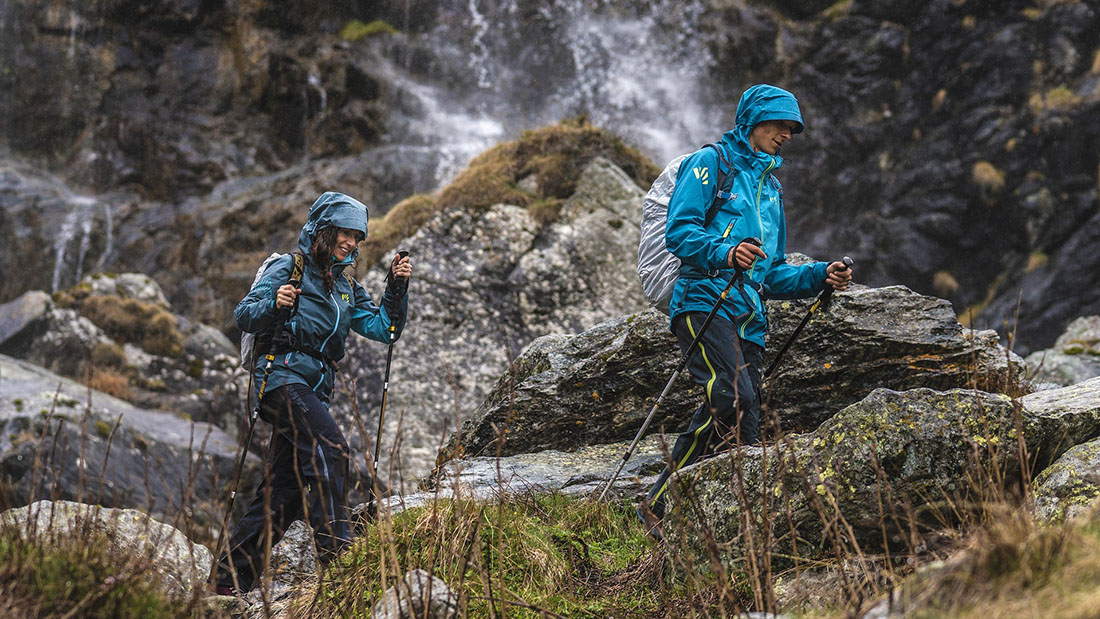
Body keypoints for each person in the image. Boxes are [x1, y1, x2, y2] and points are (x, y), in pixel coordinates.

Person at [638, 84, 852, 535]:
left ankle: (708, 525)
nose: (787, 134)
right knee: (731, 398)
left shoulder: (771, 190)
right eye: (779, 124)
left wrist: (819, 275)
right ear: (753, 120)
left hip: (750, 317)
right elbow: (679, 233)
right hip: (703, 300)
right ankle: (660, 505)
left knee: (746, 427)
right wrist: (724, 252)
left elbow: (771, 274)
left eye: (792, 128)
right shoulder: (709, 163)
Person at [215, 191, 410, 594]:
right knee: (331, 448)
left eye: (358, 237)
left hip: (313, 391)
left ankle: (225, 584)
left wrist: (396, 288)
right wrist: (275, 300)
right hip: (281, 378)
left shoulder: (345, 287)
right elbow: (244, 315)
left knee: (281, 495)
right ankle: (339, 557)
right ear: (323, 230)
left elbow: (383, 329)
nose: (352, 243)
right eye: (345, 232)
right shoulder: (288, 268)